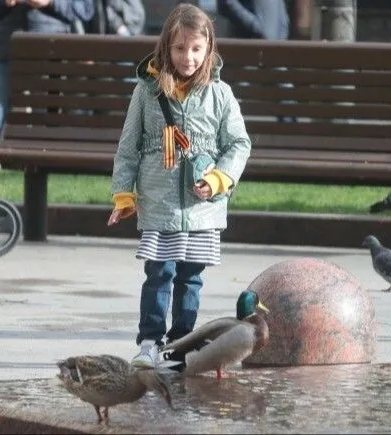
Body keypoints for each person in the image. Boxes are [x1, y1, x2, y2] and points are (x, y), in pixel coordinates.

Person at [107, 3, 251, 369]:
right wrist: (125, 194)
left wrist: (219, 178)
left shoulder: (221, 95)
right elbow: (129, 146)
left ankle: (181, 344)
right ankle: (150, 342)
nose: (188, 57)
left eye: (196, 49)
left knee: (190, 278)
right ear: (166, 48)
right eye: (180, 48)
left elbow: (238, 144)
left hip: (202, 208)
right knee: (160, 272)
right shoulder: (147, 91)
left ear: (209, 49)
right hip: (160, 202)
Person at [0, 0, 94, 148]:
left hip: (50, 52)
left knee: (44, 125)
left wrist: (50, 2)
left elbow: (85, 9)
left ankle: (41, 163)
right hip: (8, 50)